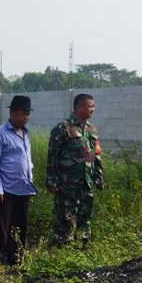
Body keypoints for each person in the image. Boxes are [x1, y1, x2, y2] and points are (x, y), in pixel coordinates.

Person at [46, 93, 105, 248]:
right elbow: (53, 156)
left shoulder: (92, 130)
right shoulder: (63, 129)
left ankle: (83, 241)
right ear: (79, 107)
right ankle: (64, 243)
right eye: (89, 106)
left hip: (87, 181)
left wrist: (98, 177)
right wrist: (52, 180)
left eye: (93, 106)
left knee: (85, 211)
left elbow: (96, 155)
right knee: (66, 214)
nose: (92, 109)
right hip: (67, 182)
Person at [0, 95, 38, 267]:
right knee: (1, 227)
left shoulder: (25, 134)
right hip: (6, 189)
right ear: (13, 113)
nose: (26, 117)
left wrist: (30, 184)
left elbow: (26, 161)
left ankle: (15, 258)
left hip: (23, 188)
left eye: (28, 114)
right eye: (23, 114)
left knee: (20, 226)